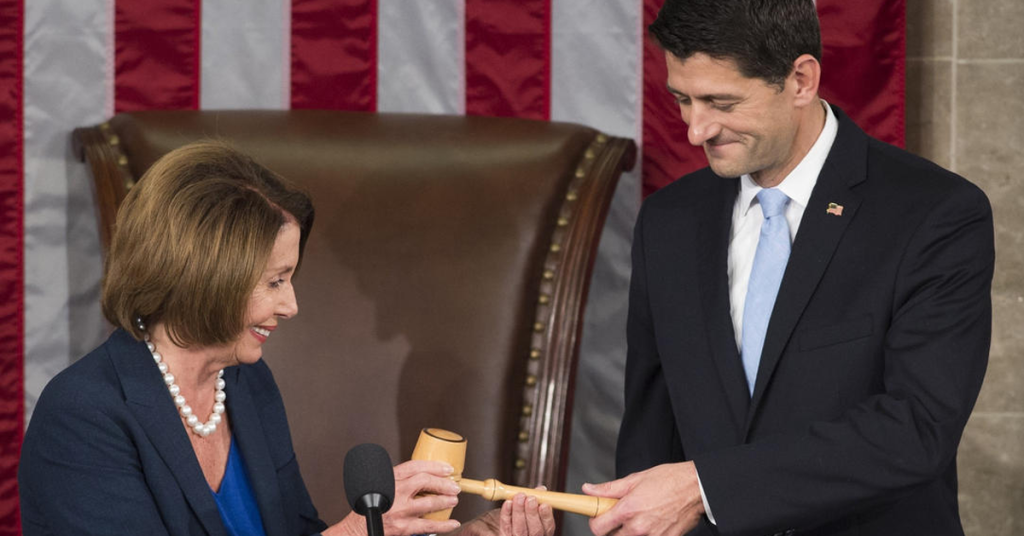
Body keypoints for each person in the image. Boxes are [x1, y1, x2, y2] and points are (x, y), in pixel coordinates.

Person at [581, 1, 994, 535]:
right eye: (683, 99)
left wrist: (706, 487)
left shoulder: (935, 213)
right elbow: (650, 428)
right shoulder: (667, 221)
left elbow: (917, 428)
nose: (694, 130)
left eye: (720, 102)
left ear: (800, 79)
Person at [18, 142, 557, 536]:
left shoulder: (246, 382)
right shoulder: (83, 416)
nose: (292, 305)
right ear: (204, 275)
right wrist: (357, 532)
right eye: (275, 281)